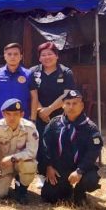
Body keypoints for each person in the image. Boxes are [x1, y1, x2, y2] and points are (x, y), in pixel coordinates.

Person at [41, 90, 102, 206]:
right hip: (60, 168)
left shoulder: (90, 127)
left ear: (82, 105)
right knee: (49, 196)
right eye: (68, 103)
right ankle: (67, 190)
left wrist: (80, 170)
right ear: (63, 105)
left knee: (91, 180)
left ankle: (80, 192)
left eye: (75, 103)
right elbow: (46, 146)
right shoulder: (54, 123)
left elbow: (93, 152)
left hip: (81, 168)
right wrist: (49, 166)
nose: (71, 107)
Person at [30, 41, 76, 175]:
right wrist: (41, 111)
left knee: (57, 142)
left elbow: (67, 95)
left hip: (60, 115)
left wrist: (49, 110)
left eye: (50, 54)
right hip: (38, 114)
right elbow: (31, 94)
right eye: (43, 55)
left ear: (56, 56)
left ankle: (59, 172)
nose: (47, 57)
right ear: (39, 58)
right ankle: (42, 173)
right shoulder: (33, 72)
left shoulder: (66, 72)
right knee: (40, 143)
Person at [0, 99, 39, 204]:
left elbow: (32, 152)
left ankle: (21, 190)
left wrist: (13, 158)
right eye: (8, 114)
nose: (12, 118)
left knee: (30, 164)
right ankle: (3, 183)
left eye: (16, 114)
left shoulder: (30, 128)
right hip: (3, 166)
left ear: (22, 114)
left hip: (20, 163)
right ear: (3, 114)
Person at [0, 43, 38, 124]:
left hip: (23, 120)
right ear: (5, 56)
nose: (12, 57)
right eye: (9, 54)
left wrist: (33, 119)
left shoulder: (28, 74)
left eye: (15, 54)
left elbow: (34, 97)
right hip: (1, 119)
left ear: (21, 56)